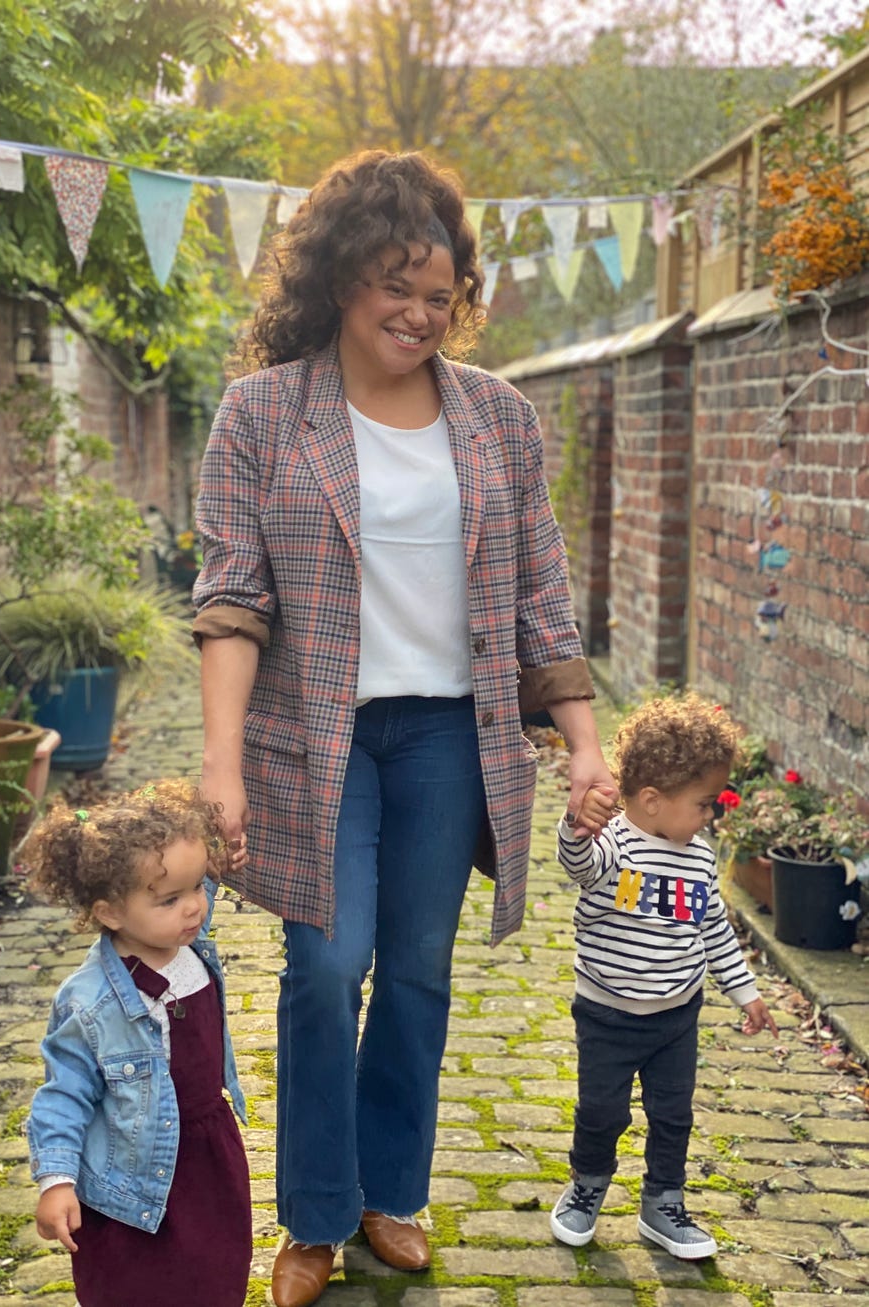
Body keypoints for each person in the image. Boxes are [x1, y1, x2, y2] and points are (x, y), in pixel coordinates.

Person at [192, 148, 617, 1307]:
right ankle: (313, 1211)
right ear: (339, 280)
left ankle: (389, 1192)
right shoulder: (263, 414)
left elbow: (540, 594)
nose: (421, 315)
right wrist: (220, 764)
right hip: (315, 734)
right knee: (327, 964)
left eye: (440, 295)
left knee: (418, 968)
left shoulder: (497, 418)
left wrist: (581, 739)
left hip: (447, 737)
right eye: (398, 288)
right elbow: (230, 597)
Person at [551, 692, 779, 1259]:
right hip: (607, 1013)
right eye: (704, 804)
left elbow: (715, 932)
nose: (710, 816)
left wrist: (745, 991)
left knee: (673, 1115)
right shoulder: (613, 845)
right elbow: (579, 864)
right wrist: (578, 825)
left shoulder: (699, 857)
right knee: (602, 1111)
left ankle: (663, 1203)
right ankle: (587, 1188)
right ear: (652, 800)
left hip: (676, 1016)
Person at [24, 780, 252, 1307]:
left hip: (208, 1160)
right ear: (109, 913)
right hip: (129, 1175)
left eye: (198, 887)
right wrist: (56, 1179)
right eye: (172, 899)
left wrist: (220, 832)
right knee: (132, 1286)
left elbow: (193, 879)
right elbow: (63, 1094)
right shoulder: (90, 1001)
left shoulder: (180, 933)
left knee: (215, 1275)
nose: (194, 908)